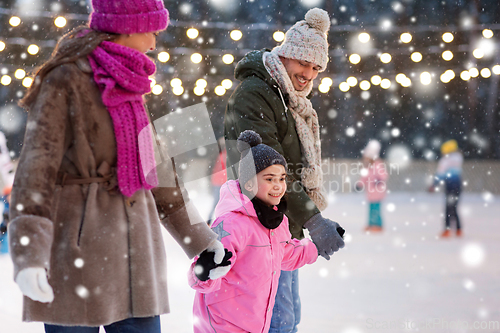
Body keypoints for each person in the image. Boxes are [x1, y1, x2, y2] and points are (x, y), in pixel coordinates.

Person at [7, 1, 225, 332]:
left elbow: (159, 172)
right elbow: (35, 170)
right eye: (151, 31)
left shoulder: (133, 81)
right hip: (77, 252)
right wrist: (30, 255)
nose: (154, 43)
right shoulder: (65, 79)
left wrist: (201, 240)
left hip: (136, 254)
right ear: (128, 28)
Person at [224, 8, 345, 332]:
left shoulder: (286, 98)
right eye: (304, 62)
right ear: (287, 55)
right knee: (274, 322)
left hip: (280, 230)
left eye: (316, 67)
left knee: (286, 319)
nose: (309, 73)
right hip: (258, 228)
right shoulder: (255, 94)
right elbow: (267, 169)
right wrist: (313, 220)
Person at [188, 130, 337, 333]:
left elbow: (287, 254)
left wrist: (317, 247)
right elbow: (204, 275)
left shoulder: (276, 220)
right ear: (249, 183)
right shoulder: (232, 224)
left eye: (282, 178)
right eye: (269, 179)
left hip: (256, 323)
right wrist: (203, 271)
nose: (278, 186)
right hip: (222, 325)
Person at [428, 139, 463, 238]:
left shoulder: (445, 160)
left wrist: (434, 184)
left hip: (450, 186)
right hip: (458, 185)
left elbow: (440, 174)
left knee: (448, 209)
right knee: (454, 208)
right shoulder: (459, 158)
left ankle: (447, 230)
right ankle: (458, 229)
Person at [356, 140, 388, 233]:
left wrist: (379, 180)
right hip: (370, 192)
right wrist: (359, 184)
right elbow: (364, 177)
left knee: (376, 209)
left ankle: (378, 225)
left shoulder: (378, 164)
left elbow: (383, 175)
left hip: (377, 191)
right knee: (371, 209)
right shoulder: (368, 167)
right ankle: (371, 224)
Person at [207, 137, 227, 224]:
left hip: (224, 181)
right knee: (216, 202)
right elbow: (211, 166)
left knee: (223, 203)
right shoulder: (217, 153)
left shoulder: (230, 152)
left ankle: (220, 221)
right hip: (217, 181)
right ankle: (210, 220)